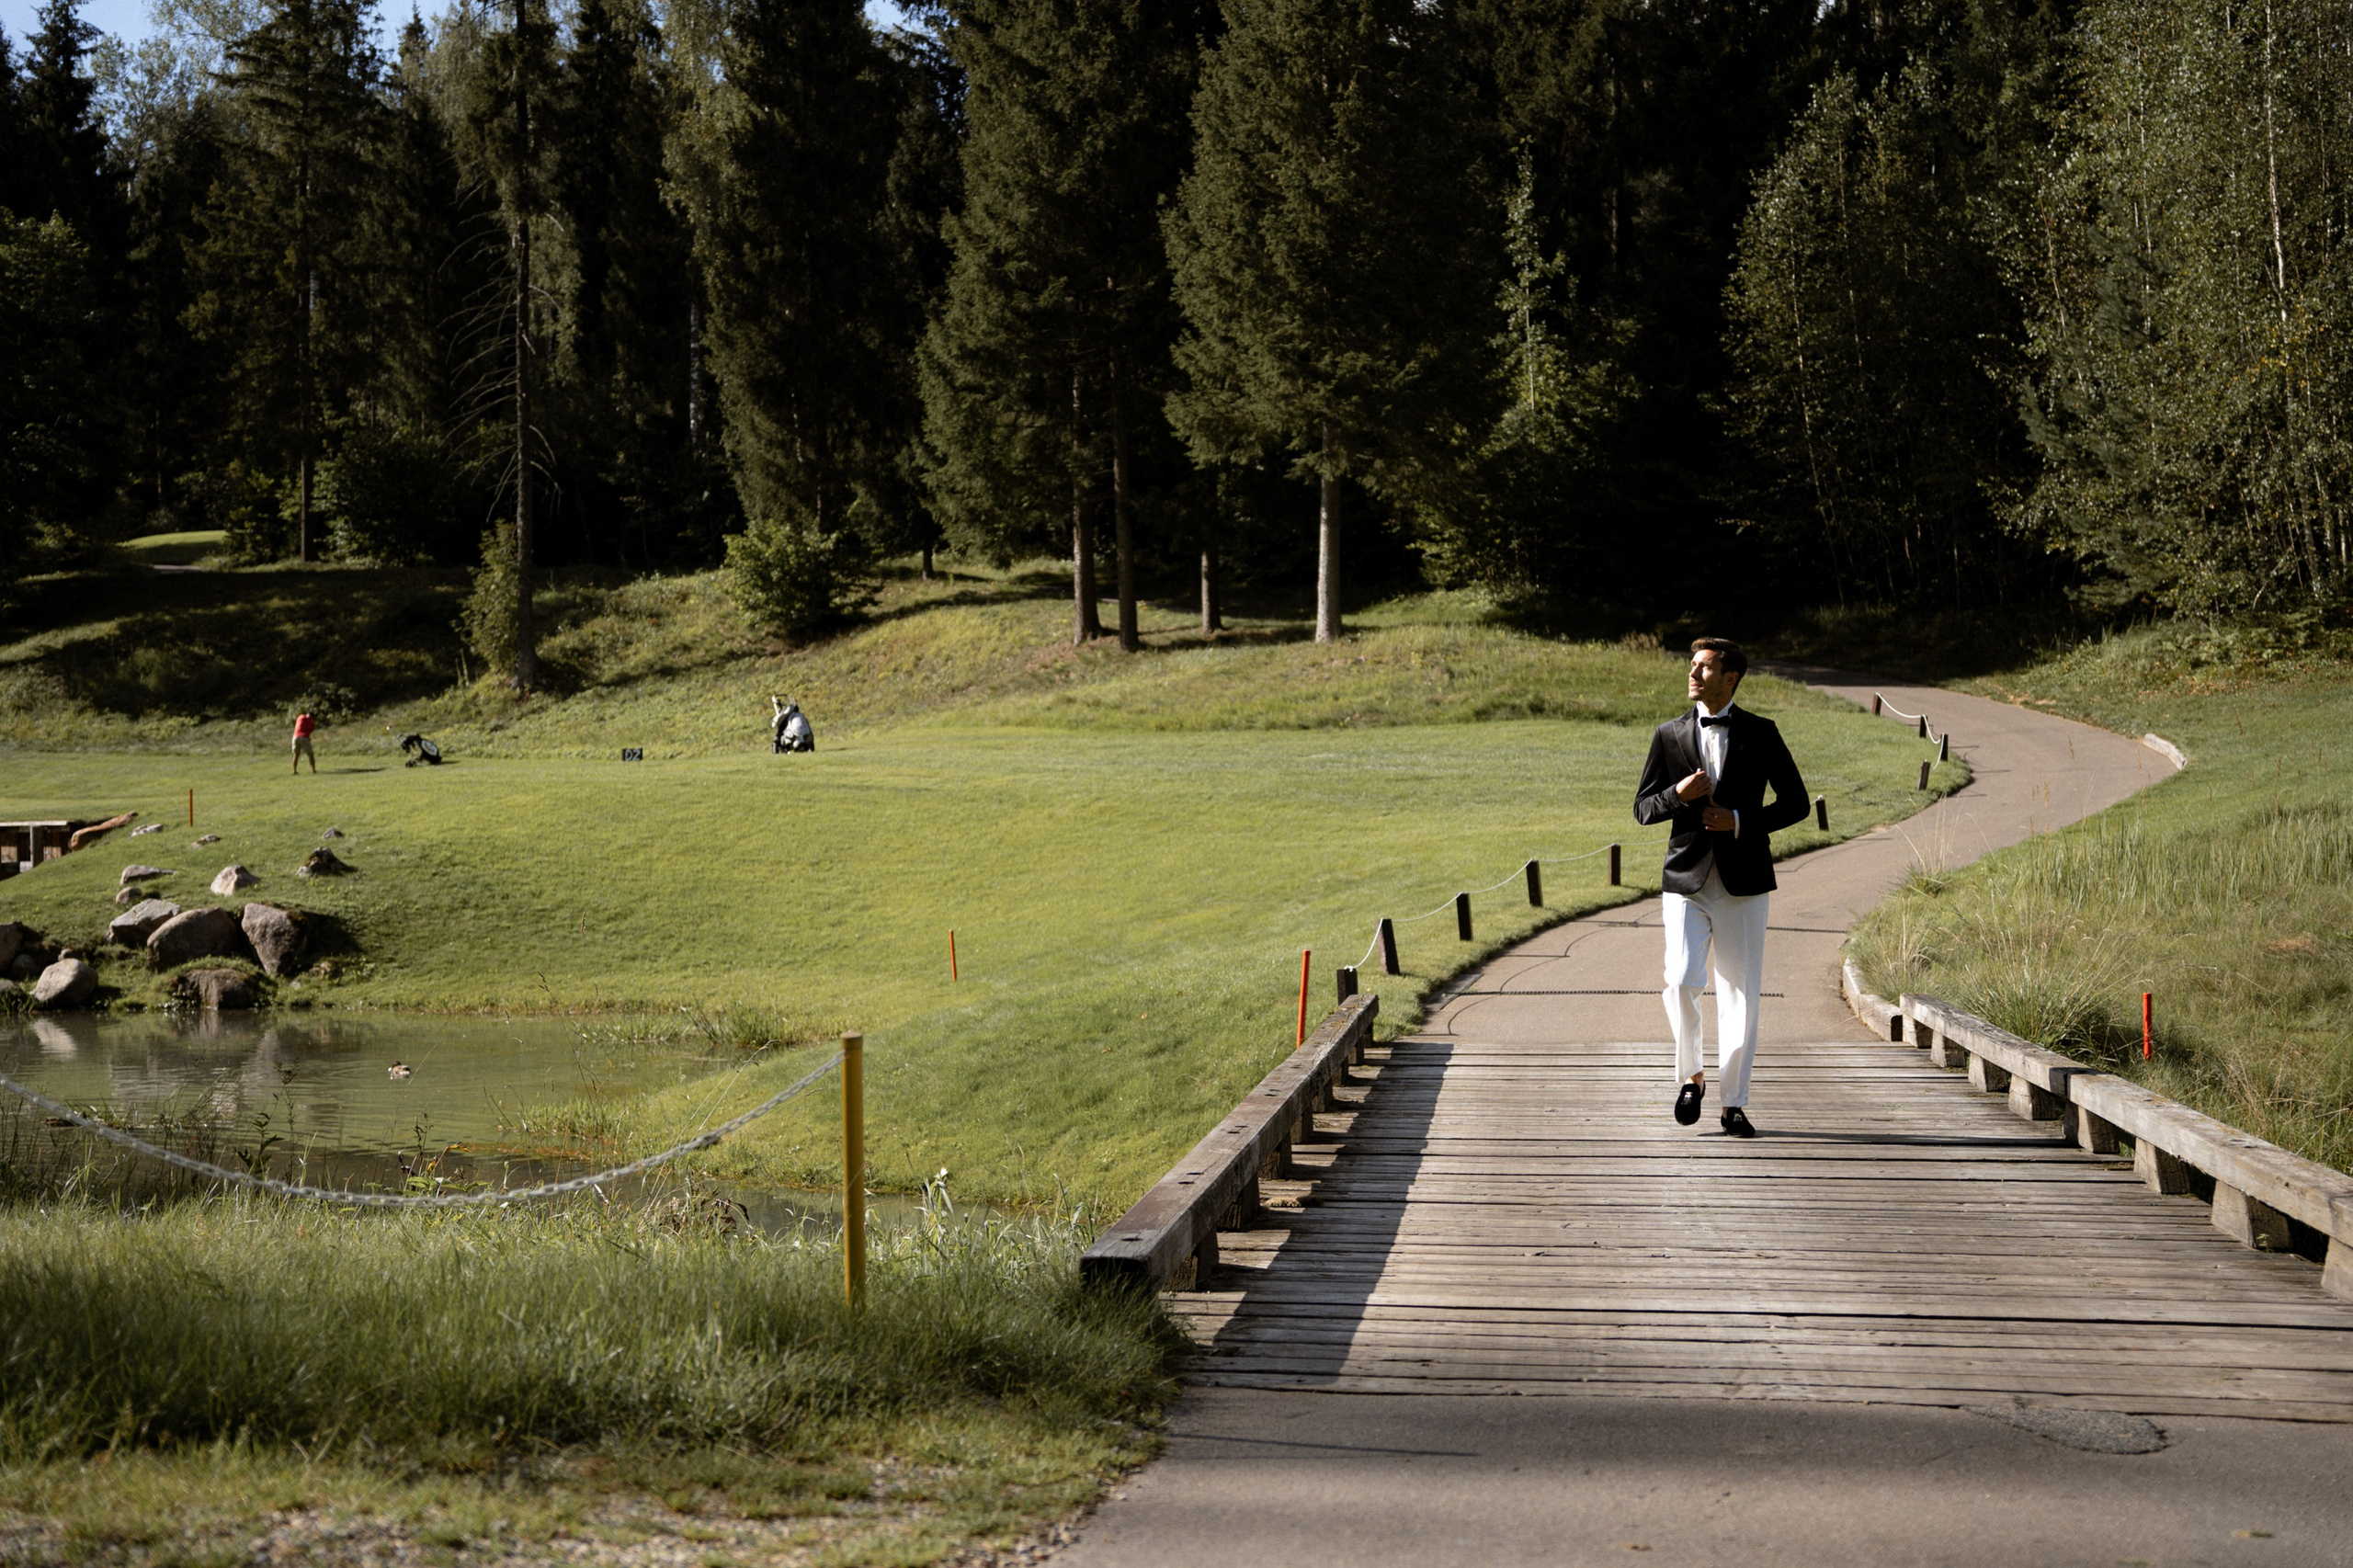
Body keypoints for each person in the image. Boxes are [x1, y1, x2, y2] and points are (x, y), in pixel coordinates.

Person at [1631, 638, 1810, 1137]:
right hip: (1684, 880)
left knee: (1741, 995)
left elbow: (1796, 802)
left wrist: (1737, 821)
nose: (1694, 673)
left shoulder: (1762, 732)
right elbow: (1643, 808)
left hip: (1745, 883)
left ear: (1731, 677)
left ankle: (1733, 1102)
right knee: (1681, 978)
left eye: (1705, 667)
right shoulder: (1668, 734)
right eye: (1692, 666)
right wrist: (1676, 794)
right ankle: (1692, 1076)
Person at [291, 710, 317, 775]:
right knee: (311, 755)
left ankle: (294, 771)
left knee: (296, 755)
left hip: (295, 737)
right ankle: (313, 770)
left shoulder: (300, 717)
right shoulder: (312, 724)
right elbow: (309, 730)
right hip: (304, 738)